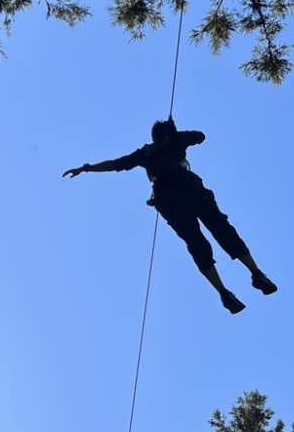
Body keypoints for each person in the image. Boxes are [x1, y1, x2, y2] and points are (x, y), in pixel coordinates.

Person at [64, 118, 277, 314]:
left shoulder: (146, 152)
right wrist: (177, 136)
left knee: (197, 243)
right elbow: (200, 136)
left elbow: (116, 164)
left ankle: (225, 291)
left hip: (169, 200)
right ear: (168, 134)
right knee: (221, 230)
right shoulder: (172, 142)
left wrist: (87, 168)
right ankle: (255, 274)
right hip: (189, 190)